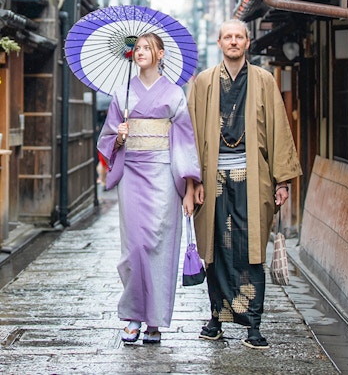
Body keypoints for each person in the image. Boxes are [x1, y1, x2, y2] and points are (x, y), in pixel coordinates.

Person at [188, 19, 302, 349]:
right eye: (228, 37)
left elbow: (279, 130)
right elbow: (193, 133)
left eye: (239, 36)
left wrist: (282, 181)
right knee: (215, 249)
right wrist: (193, 181)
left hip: (255, 179)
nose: (234, 41)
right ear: (219, 42)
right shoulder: (205, 82)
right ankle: (216, 317)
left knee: (251, 250)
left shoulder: (264, 80)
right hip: (213, 179)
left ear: (247, 42)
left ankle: (253, 323)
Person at [97, 32, 201, 344]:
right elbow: (107, 139)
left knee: (160, 245)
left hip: (163, 174)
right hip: (131, 173)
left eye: (147, 48)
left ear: (160, 54)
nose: (140, 52)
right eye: (137, 48)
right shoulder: (123, 93)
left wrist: (190, 185)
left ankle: (154, 320)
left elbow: (184, 140)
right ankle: (132, 315)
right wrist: (119, 136)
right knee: (134, 247)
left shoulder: (174, 93)